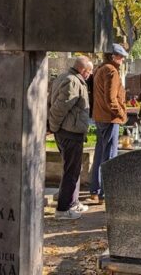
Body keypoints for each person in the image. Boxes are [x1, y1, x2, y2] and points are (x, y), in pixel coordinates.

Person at [48, 56, 93, 219]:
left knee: (74, 169)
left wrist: (52, 127)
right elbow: (60, 107)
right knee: (71, 170)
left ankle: (73, 202)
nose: (90, 74)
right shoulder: (73, 81)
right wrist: (53, 126)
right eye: (89, 71)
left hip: (68, 130)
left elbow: (49, 102)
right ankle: (63, 209)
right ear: (83, 69)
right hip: (69, 132)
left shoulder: (63, 77)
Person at [87, 44, 129, 203]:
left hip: (99, 117)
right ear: (113, 56)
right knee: (110, 156)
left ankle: (95, 190)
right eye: (120, 56)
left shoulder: (99, 69)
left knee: (100, 153)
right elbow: (111, 99)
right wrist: (121, 114)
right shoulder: (111, 71)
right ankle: (105, 193)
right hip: (110, 118)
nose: (123, 59)